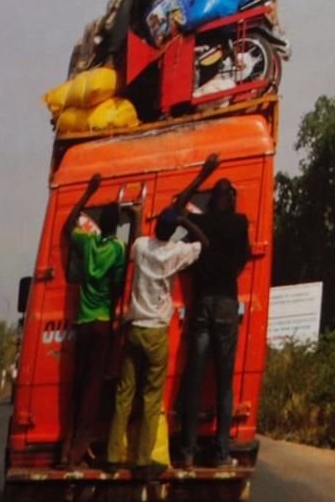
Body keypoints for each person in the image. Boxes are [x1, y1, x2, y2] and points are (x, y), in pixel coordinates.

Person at [105, 205, 208, 480]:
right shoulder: (175, 252)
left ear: (156, 227)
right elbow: (204, 244)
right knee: (151, 399)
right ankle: (142, 461)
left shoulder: (140, 247)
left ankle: (113, 457)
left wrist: (136, 215)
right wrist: (187, 220)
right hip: (157, 333)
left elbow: (137, 235)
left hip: (135, 329)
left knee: (124, 396)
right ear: (171, 231)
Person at [179, 178, 251, 468]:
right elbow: (244, 257)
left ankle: (187, 451)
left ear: (211, 200)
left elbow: (176, 210)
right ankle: (222, 453)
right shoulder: (239, 223)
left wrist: (199, 176)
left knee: (194, 380)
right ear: (231, 199)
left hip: (202, 302)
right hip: (226, 302)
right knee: (224, 382)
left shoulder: (202, 223)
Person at [59, 173, 127, 468]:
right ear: (119, 225)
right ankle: (78, 452)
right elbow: (118, 285)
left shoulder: (87, 244)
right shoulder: (118, 250)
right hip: (102, 323)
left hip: (83, 322)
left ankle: (66, 449)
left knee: (76, 387)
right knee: (93, 390)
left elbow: (67, 225)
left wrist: (88, 192)